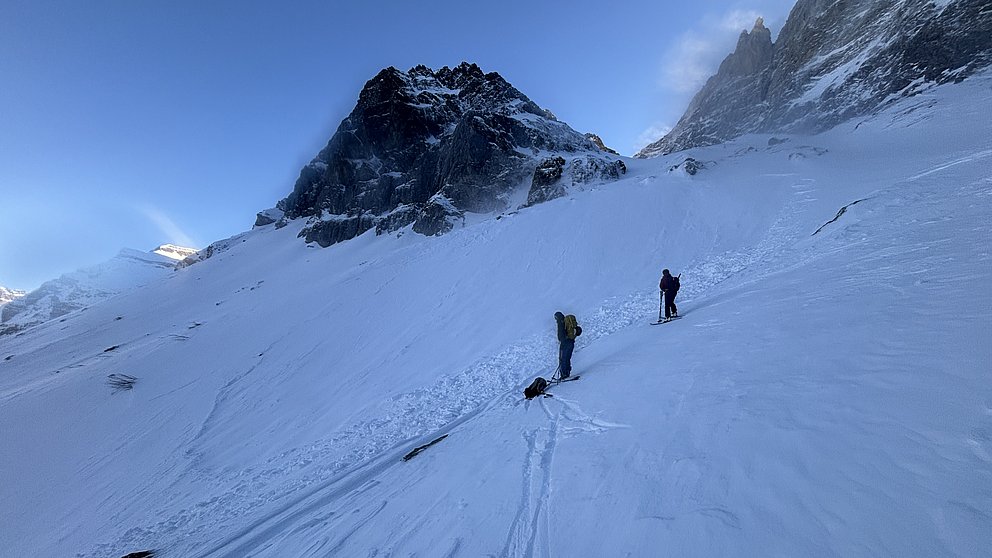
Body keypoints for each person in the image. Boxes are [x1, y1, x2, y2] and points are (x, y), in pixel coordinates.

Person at [554, 311, 581, 379]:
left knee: (562, 359)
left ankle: (564, 375)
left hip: (564, 344)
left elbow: (560, 336)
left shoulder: (561, 323)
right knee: (567, 358)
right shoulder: (568, 321)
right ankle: (567, 372)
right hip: (571, 342)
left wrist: (562, 340)